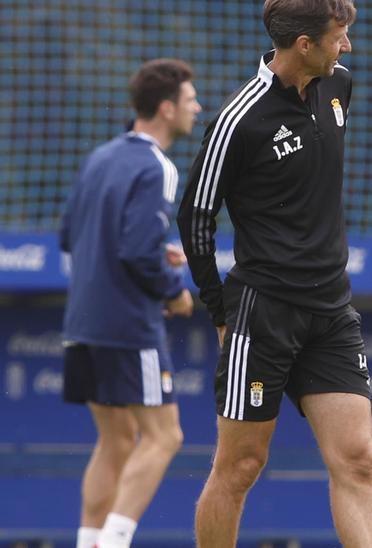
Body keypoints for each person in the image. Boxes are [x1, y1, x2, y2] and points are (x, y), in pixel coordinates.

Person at [176, 1, 372, 546]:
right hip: (263, 313)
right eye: (339, 37)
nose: (348, 47)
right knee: (241, 467)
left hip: (332, 313)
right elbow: (195, 216)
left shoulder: (339, 86)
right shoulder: (237, 120)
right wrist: (220, 312)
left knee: (359, 460)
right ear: (304, 46)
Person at [60, 58, 200, 548]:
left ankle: (89, 540)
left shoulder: (100, 158)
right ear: (166, 109)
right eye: (189, 101)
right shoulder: (156, 166)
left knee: (116, 440)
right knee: (165, 437)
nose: (197, 108)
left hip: (81, 323)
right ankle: (113, 542)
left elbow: (69, 236)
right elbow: (138, 253)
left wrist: (149, 253)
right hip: (129, 326)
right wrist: (174, 291)